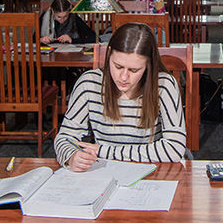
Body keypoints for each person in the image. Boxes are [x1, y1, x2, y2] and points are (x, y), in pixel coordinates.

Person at [54, 23, 186, 170]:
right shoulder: (89, 83)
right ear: (109, 54)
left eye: (134, 70)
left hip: (152, 172)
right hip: (104, 172)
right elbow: (64, 137)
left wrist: (105, 151)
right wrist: (71, 156)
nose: (123, 77)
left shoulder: (164, 84)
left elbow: (174, 148)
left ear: (149, 64)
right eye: (117, 66)